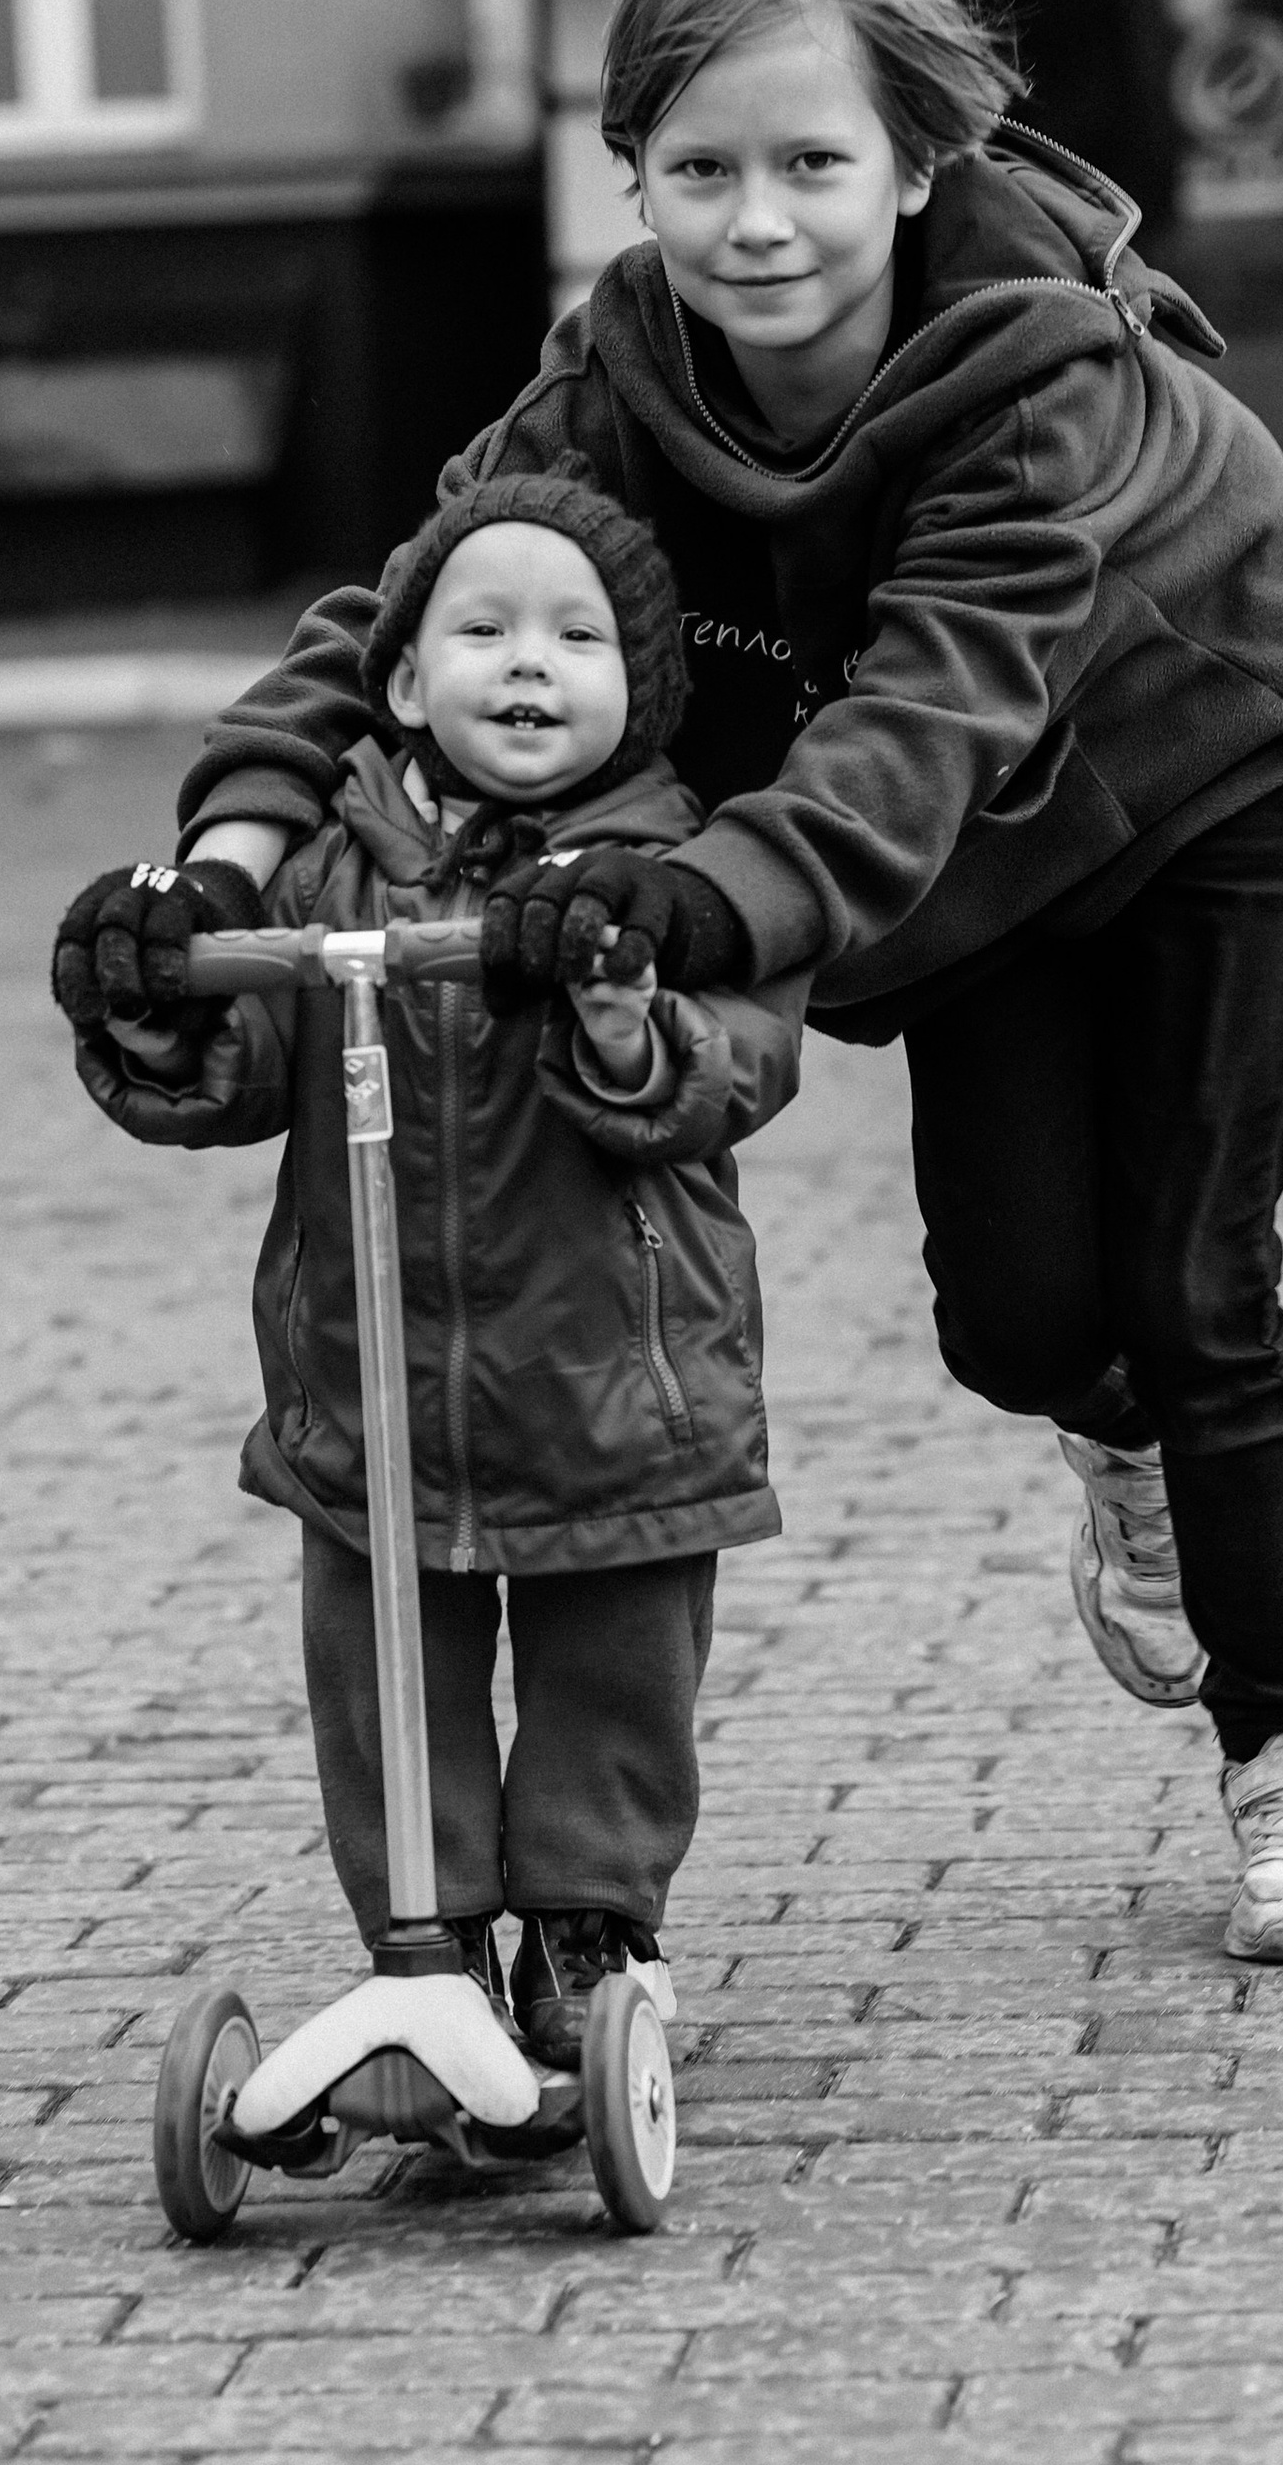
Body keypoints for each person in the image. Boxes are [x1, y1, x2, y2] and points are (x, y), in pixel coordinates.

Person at [56, 0, 1283, 1964]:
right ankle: (1111, 1432)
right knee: (1021, 1320)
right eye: (698, 170)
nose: (754, 221)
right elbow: (401, 617)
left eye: (809, 163)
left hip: (1192, 765)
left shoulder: (1037, 381)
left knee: (1189, 1271)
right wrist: (220, 860)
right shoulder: (613, 381)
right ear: (634, 175)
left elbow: (922, 708)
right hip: (950, 841)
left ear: (914, 162)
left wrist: (676, 905)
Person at [60, 464, 802, 2062]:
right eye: (484, 628)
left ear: (643, 690)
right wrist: (159, 993)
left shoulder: (681, 875)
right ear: (401, 679)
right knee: (384, 1654)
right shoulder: (325, 873)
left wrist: (624, 1016)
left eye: (578, 638)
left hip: (620, 1368)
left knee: (616, 1657)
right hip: (374, 1372)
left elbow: (740, 1059)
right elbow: (239, 1067)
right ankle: (433, 1932)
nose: (529, 663)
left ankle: (595, 1929)